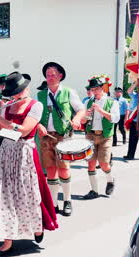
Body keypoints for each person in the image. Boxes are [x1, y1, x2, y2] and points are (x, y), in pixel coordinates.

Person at [0, 72, 58, 256]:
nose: (15, 96)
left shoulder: (36, 106)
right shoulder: (8, 105)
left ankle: (37, 227)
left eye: (18, 92)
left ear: (26, 89)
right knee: (4, 194)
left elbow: (24, 131)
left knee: (27, 194)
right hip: (7, 152)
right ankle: (7, 239)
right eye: (13, 93)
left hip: (24, 153)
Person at [36, 62, 85, 216]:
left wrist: (77, 119)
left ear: (60, 76)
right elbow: (34, 114)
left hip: (63, 136)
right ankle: (54, 203)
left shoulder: (69, 92)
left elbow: (81, 109)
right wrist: (38, 125)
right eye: (47, 74)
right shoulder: (40, 94)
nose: (50, 77)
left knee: (63, 169)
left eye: (53, 74)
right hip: (46, 137)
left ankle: (67, 200)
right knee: (50, 169)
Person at [81, 76, 119, 199]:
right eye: (92, 89)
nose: (94, 91)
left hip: (105, 136)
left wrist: (101, 111)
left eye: (96, 88)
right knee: (91, 163)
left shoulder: (112, 102)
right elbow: (82, 121)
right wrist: (85, 115)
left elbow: (115, 118)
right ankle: (94, 191)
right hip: (90, 135)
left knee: (104, 163)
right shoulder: (87, 102)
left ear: (102, 88)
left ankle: (110, 180)